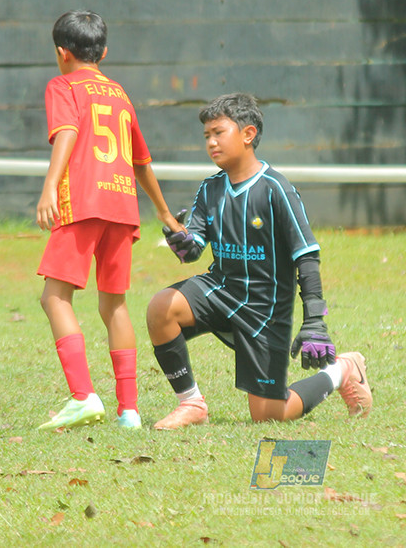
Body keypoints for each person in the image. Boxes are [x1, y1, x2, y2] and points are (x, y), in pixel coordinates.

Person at [147, 92, 371, 429]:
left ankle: (341, 371)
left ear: (248, 134)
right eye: (206, 135)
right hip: (220, 289)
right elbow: (193, 248)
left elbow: (306, 256)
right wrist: (179, 241)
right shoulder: (209, 189)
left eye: (219, 133)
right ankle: (191, 404)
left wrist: (315, 322)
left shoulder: (275, 188)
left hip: (264, 309)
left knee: (268, 415)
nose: (211, 142)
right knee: (161, 307)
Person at [35, 10, 181, 431]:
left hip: (82, 202)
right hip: (122, 207)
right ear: (104, 52)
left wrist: (50, 187)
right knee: (113, 304)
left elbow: (66, 132)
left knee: (54, 298)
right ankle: (129, 411)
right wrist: (164, 211)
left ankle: (82, 397)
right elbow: (141, 160)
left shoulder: (62, 85)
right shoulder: (118, 92)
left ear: (63, 53)